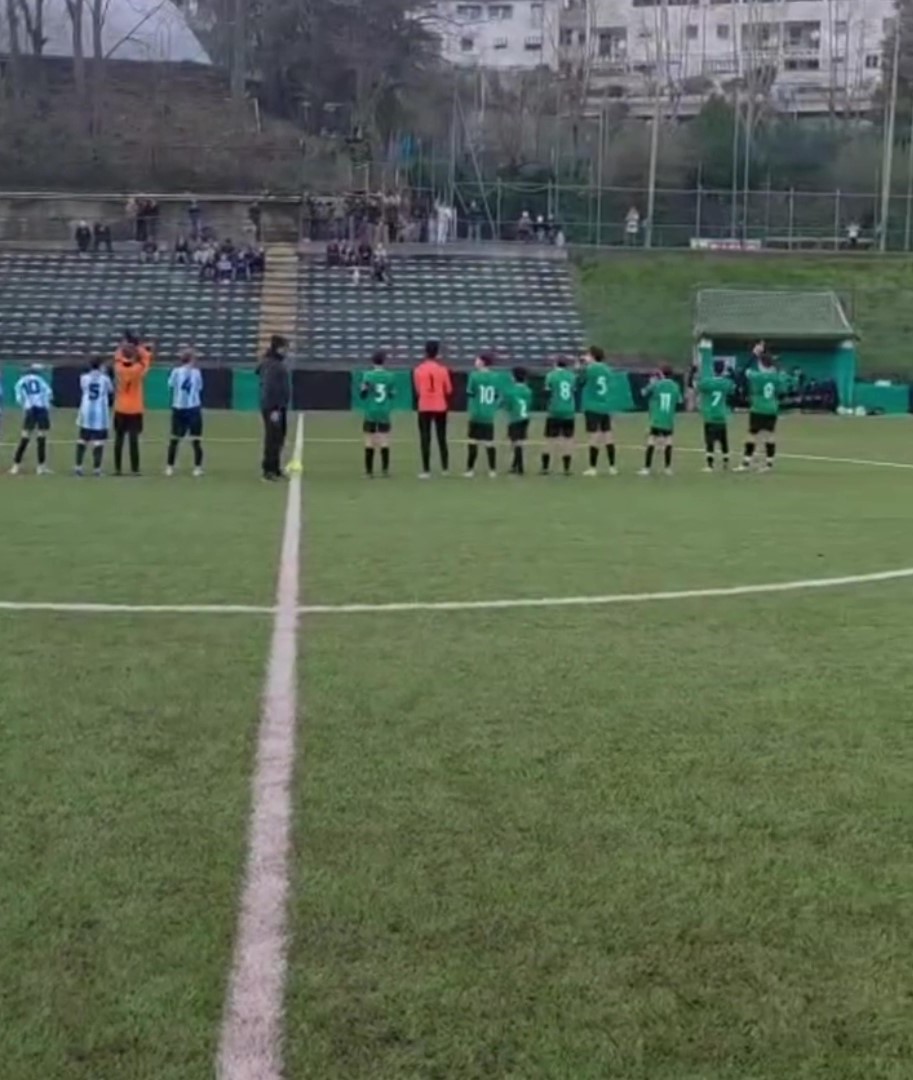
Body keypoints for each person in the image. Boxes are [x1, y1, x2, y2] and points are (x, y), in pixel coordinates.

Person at [736, 352, 791, 472]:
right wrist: (776, 365)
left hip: (757, 408)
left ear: (760, 364)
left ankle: (746, 462)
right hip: (772, 408)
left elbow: (743, 371)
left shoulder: (756, 375)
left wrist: (754, 354)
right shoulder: (777, 377)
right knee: (769, 435)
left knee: (752, 434)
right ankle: (769, 464)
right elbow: (784, 387)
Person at [113, 333, 152, 476]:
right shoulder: (138, 370)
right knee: (133, 440)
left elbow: (118, 355)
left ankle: (118, 469)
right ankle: (135, 469)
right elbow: (146, 358)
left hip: (120, 407)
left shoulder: (118, 367)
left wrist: (124, 345)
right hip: (135, 408)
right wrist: (138, 346)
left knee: (119, 439)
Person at [413, 340, 452, 479]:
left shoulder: (418, 370)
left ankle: (426, 470)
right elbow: (449, 390)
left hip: (424, 406)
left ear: (425, 352)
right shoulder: (443, 370)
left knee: (425, 437)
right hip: (440, 406)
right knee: (442, 437)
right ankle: (445, 468)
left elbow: (418, 390)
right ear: (437, 353)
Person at [579, 345, 617, 476]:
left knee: (594, 436)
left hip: (592, 405)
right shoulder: (607, 369)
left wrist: (580, 367)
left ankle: (592, 467)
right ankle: (612, 467)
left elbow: (580, 381)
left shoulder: (590, 369)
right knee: (608, 435)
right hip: (605, 405)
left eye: (588, 355)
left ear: (593, 356)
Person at [166, 350, 205, 477]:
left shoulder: (177, 371)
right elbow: (199, 388)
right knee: (193, 440)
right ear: (191, 360)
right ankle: (197, 467)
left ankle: (170, 467)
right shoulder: (193, 372)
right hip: (191, 409)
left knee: (176, 439)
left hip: (181, 408)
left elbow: (170, 385)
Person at [257, 335, 291, 481]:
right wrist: (275, 409)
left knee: (278, 438)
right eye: (284, 348)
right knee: (272, 438)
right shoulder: (272, 364)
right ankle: (268, 470)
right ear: (278, 348)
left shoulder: (273, 363)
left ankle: (275, 468)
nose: (286, 351)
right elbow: (271, 388)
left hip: (278, 406)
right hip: (273, 407)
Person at [9, 364, 53, 475]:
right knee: (41, 438)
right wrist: (46, 405)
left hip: (30, 410)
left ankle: (16, 466)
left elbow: (19, 399)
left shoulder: (20, 382)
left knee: (25, 438)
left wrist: (25, 406)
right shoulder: (40, 380)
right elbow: (49, 393)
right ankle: (41, 467)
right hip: (42, 409)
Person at [639, 366, 683, 476]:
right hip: (668, 418)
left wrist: (651, 383)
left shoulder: (657, 384)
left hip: (657, 417)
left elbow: (643, 392)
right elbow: (680, 400)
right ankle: (667, 468)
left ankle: (647, 468)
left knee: (651, 440)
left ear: (662, 374)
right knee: (668, 441)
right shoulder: (675, 386)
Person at [75, 358, 114, 476]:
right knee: (98, 441)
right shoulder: (105, 379)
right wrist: (104, 373)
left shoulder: (84, 378)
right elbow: (111, 390)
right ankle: (97, 469)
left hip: (86, 411)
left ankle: (78, 467)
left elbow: (83, 388)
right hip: (100, 413)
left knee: (82, 439)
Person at [464, 352, 500, 479]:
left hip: (476, 413)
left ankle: (470, 470)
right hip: (489, 414)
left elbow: (470, 393)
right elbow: (496, 395)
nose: (475, 362)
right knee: (489, 443)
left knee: (473, 442)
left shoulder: (474, 376)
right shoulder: (496, 377)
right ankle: (492, 470)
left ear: (483, 362)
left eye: (477, 360)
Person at [359, 350, 395, 478]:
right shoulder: (390, 376)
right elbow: (392, 394)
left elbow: (363, 394)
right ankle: (385, 470)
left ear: (372, 361)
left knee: (369, 440)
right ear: (384, 361)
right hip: (384, 411)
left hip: (371, 411)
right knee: (384, 440)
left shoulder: (367, 375)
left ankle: (369, 472)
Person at [697, 359, 736, 471]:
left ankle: (710, 465)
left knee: (709, 441)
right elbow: (732, 390)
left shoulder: (707, 382)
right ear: (723, 370)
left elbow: (697, 386)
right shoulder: (726, 383)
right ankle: (726, 462)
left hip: (710, 415)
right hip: (721, 415)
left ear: (713, 369)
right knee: (723, 440)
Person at [541, 358, 577, 476]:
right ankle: (566, 468)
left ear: (556, 364)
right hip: (569, 410)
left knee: (549, 439)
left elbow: (547, 391)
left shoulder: (551, 375)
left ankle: (545, 467)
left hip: (555, 410)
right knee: (568, 439)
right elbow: (573, 390)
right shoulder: (572, 376)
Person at [505, 366, 533, 476]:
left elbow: (508, 406)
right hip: (525, 417)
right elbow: (529, 404)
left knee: (515, 443)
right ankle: (514, 465)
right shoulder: (528, 391)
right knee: (520, 442)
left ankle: (520, 467)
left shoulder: (511, 391)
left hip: (515, 418)